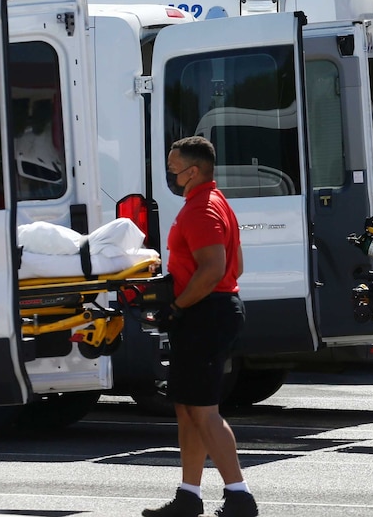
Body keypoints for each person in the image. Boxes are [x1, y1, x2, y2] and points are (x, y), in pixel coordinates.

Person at [143, 136, 258, 517]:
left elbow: (213, 271)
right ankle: (188, 495)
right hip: (208, 310)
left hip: (205, 314)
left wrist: (176, 306)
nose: (171, 175)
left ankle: (239, 495)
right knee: (187, 408)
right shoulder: (215, 202)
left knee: (205, 410)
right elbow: (235, 266)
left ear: (193, 171)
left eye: (174, 169)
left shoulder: (201, 210)